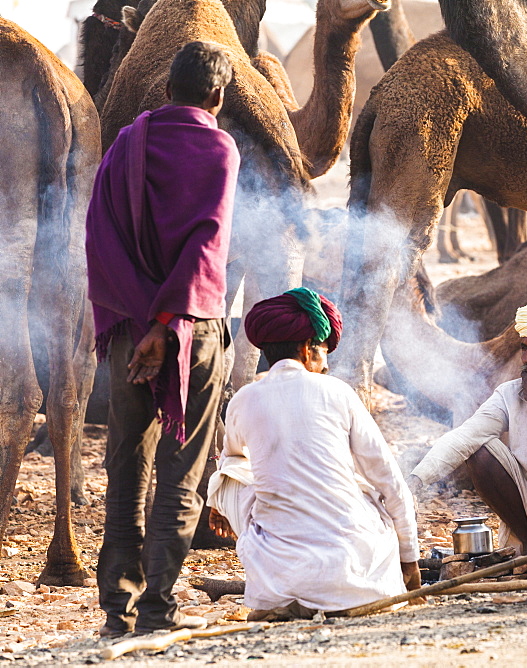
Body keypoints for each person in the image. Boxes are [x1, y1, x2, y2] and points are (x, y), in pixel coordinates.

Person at [86, 42, 239, 637]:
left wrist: (140, 319)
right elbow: (208, 242)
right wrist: (169, 325)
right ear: (217, 97)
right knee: (181, 474)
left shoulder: (128, 142)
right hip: (192, 333)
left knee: (126, 467)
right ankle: (158, 612)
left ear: (167, 88)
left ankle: (115, 610)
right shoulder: (219, 147)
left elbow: (99, 236)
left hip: (129, 332)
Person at [207, 288, 421, 619]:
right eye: (323, 352)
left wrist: (216, 503)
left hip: (276, 581)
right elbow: (389, 480)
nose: (325, 364)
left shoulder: (243, 400)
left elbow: (231, 465)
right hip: (359, 579)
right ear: (308, 350)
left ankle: (283, 598)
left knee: (230, 470)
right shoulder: (338, 392)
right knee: (370, 489)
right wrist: (409, 559)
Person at [407, 297, 527, 556]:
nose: (526, 357)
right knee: (480, 450)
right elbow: (464, 438)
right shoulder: (510, 394)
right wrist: (414, 481)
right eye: (524, 347)